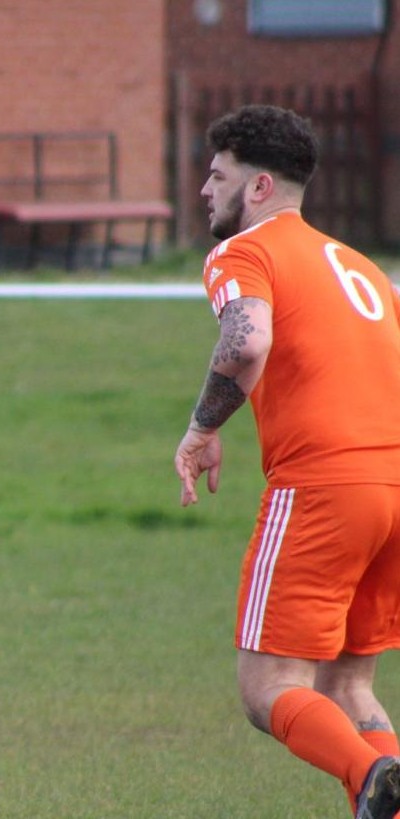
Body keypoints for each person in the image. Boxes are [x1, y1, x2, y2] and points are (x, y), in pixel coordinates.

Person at [174, 103, 400, 819]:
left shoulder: (244, 252)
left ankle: (374, 777)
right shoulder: (357, 263)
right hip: (394, 483)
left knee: (267, 686)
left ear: (261, 186)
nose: (205, 191)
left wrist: (201, 427)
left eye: (218, 175)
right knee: (347, 685)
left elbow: (246, 342)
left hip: (327, 485)